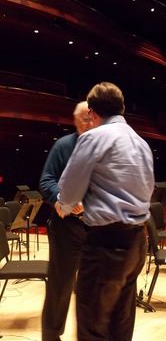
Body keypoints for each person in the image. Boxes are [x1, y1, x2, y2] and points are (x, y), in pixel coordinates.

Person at [55, 81, 155, 341]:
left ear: (92, 112)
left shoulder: (93, 137)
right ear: (122, 108)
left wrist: (63, 205)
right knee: (120, 325)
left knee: (93, 326)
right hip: (136, 242)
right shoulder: (140, 142)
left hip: (106, 245)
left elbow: (69, 191)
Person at [40, 101, 92, 341]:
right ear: (74, 119)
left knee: (92, 285)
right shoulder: (64, 145)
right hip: (66, 226)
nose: (89, 122)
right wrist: (62, 199)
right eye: (83, 117)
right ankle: (51, 335)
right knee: (60, 284)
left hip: (96, 226)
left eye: (92, 117)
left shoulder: (103, 145)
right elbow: (46, 181)